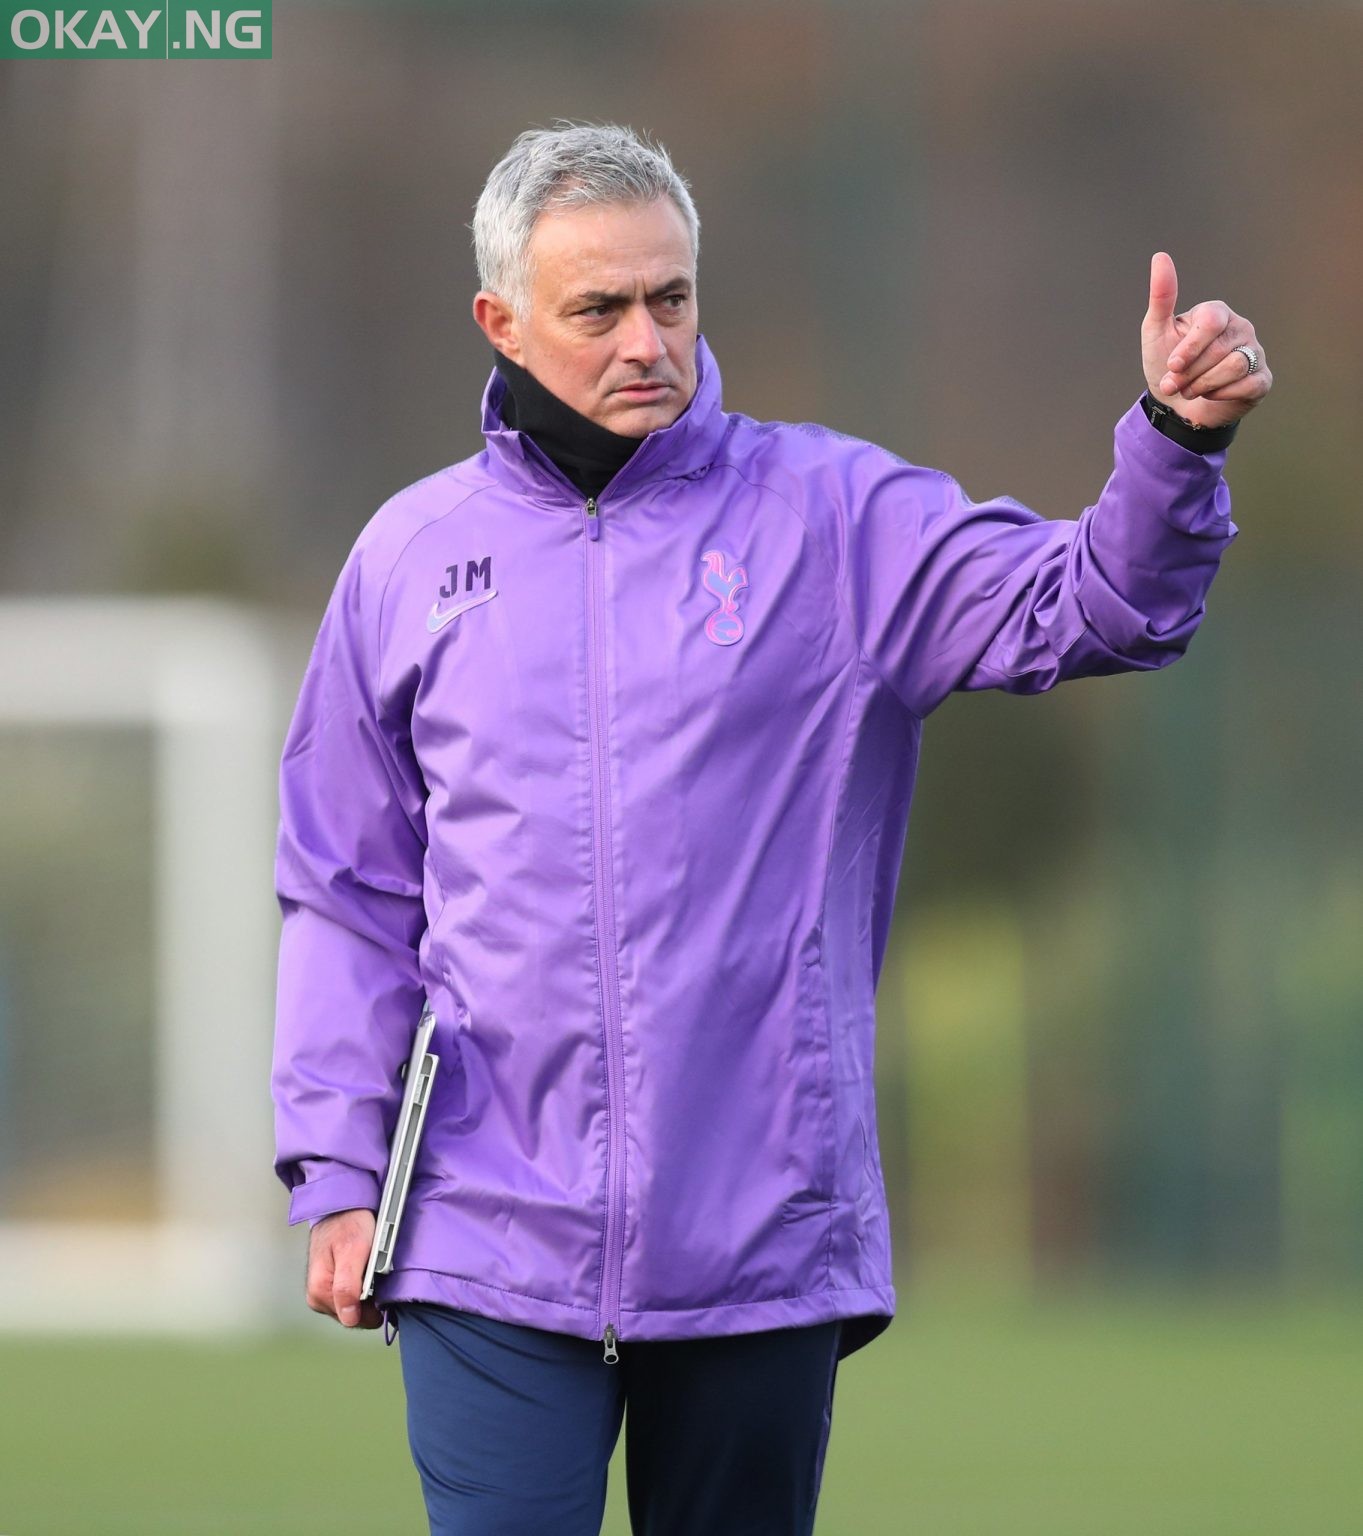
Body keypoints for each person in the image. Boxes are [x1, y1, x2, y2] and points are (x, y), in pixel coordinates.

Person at [270, 122, 1271, 1534]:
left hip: (758, 1236)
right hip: (485, 1235)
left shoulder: (833, 518)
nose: (646, 340)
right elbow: (345, 888)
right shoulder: (409, 558)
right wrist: (338, 1165)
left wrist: (1174, 447)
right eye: (598, 308)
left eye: (671, 299)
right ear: (500, 321)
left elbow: (1095, 605)